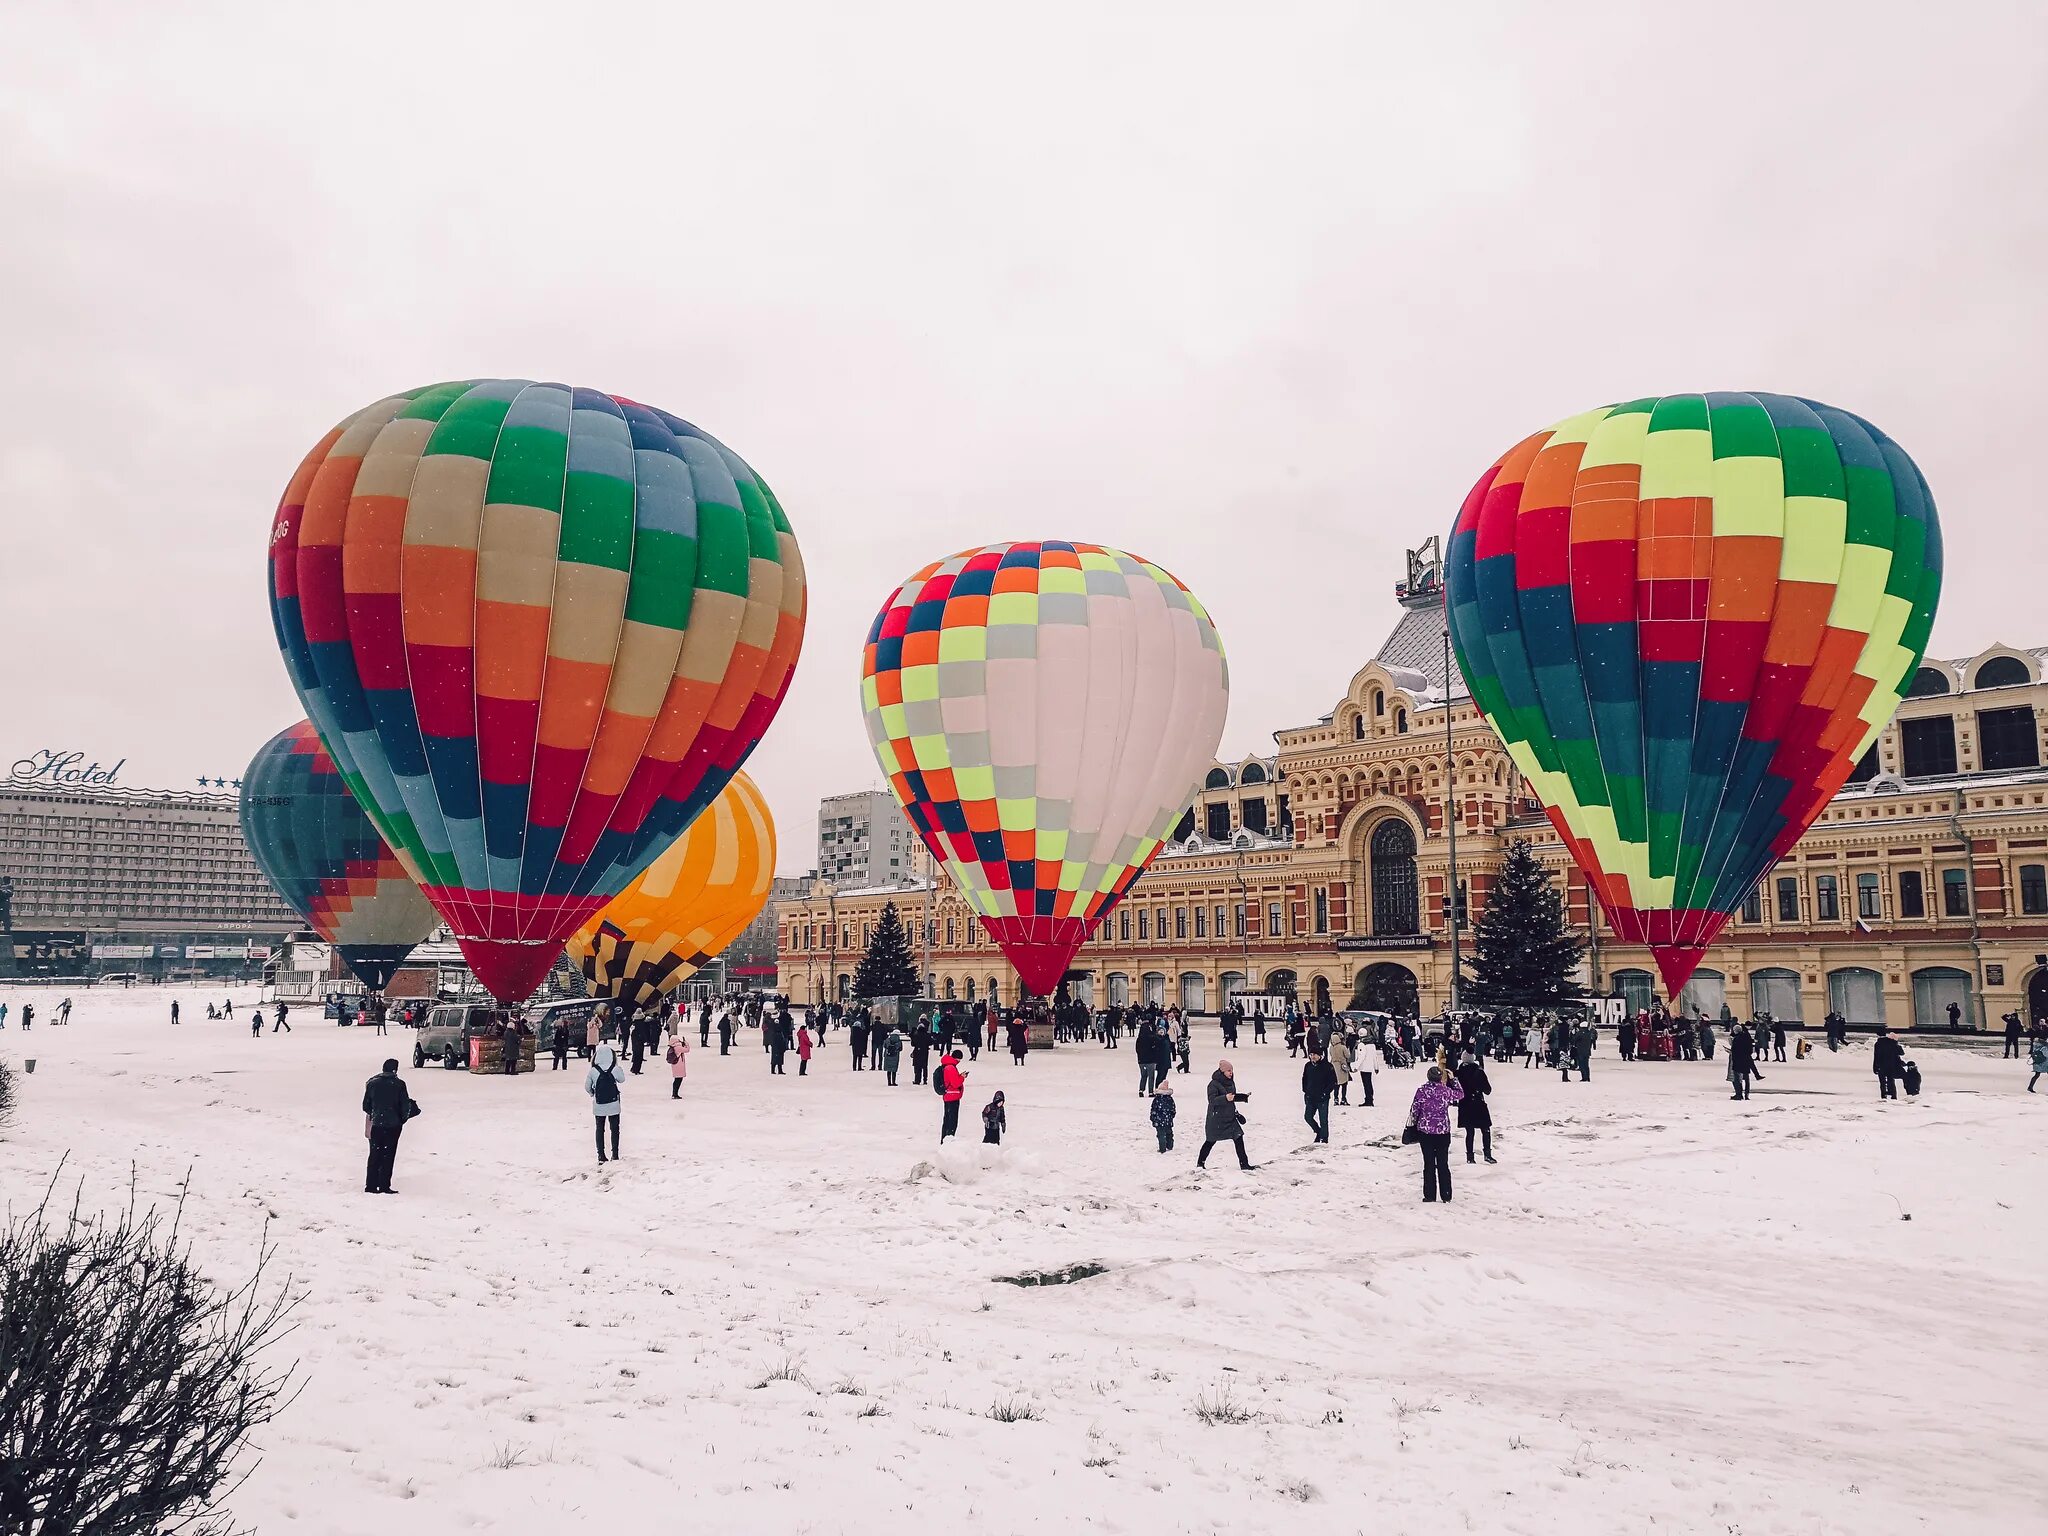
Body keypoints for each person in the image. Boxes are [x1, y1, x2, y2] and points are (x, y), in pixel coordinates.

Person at [1407, 1066, 1465, 1203]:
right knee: (1443, 1163)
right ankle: (1446, 1195)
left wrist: (1413, 1126)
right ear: (1440, 1077)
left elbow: (1414, 1109)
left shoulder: (1421, 1091)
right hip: (1442, 1131)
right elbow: (1460, 1094)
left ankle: (1429, 1195)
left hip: (1425, 1131)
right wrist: (1453, 1079)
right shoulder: (1445, 1091)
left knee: (1428, 1164)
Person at [361, 1057, 413, 1194]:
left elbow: (366, 1105)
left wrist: (375, 1113)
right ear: (395, 1070)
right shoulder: (399, 1084)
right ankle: (384, 1185)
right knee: (388, 1155)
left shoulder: (372, 1084)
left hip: (377, 1123)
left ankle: (371, 1185)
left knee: (374, 1154)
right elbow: (405, 1106)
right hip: (393, 1125)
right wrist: (401, 1119)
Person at [1197, 1060, 1255, 1170]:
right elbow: (1212, 1100)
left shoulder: (1230, 1082)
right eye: (1228, 1070)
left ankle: (1244, 1165)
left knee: (1239, 1137)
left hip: (1230, 1117)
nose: (1231, 1073)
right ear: (1222, 1071)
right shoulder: (1213, 1084)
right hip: (1217, 1119)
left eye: (1232, 1070)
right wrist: (1224, 1098)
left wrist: (1243, 1097)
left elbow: (1231, 1097)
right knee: (1210, 1141)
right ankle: (1200, 1163)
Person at [586, 1042, 626, 1162]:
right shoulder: (614, 1068)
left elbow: (587, 1086)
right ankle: (615, 1153)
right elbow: (622, 1080)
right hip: (614, 1104)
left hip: (599, 1104)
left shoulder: (593, 1070)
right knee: (615, 1129)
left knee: (600, 1129)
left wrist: (593, 1093)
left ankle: (601, 1154)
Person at [1455, 1051, 1494, 1163]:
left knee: (1469, 1132)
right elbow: (1488, 1090)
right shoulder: (1479, 1071)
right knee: (1485, 1129)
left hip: (1465, 1104)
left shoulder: (1458, 1072)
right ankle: (1487, 1154)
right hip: (1478, 1103)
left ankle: (1470, 1157)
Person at [1300, 1049, 1336, 1144]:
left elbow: (1332, 1082)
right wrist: (1305, 1091)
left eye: (1315, 1055)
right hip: (1310, 1097)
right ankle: (1318, 1132)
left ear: (1320, 1056)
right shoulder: (1308, 1066)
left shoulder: (1327, 1066)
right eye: (1311, 1055)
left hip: (1322, 1098)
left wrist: (1326, 1092)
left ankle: (1324, 1138)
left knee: (1323, 1119)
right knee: (1308, 1117)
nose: (1313, 1057)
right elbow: (1304, 1078)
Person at [937, 1051, 967, 1141]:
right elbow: (955, 1083)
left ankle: (945, 1139)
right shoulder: (951, 1067)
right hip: (952, 1096)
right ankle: (948, 1140)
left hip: (948, 1096)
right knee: (952, 1121)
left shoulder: (947, 1066)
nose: (959, 1061)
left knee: (947, 1119)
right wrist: (962, 1077)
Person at [1872, 1026, 1906, 1101]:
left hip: (1882, 1065)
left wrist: (1875, 1067)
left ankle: (1884, 1095)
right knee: (1891, 1080)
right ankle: (1893, 1095)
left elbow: (1876, 1056)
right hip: (1891, 1065)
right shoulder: (1891, 1042)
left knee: (1882, 1081)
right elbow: (1901, 1053)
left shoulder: (1878, 1044)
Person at [1727, 1023, 1758, 1101]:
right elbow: (1749, 1048)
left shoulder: (1737, 1039)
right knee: (1746, 1078)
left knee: (1737, 1079)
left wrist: (1732, 1055)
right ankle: (1746, 1095)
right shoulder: (1746, 1037)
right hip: (1746, 1060)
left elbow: (1735, 1051)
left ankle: (1739, 1094)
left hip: (1738, 1061)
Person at [1150, 1077, 1176, 1152]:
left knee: (1161, 1135)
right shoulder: (1170, 1099)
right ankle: (1170, 1145)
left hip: (1159, 1120)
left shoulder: (1157, 1099)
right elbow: (1173, 1109)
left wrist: (1153, 1117)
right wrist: (1171, 1116)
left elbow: (1153, 1109)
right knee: (1169, 1133)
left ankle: (1162, 1148)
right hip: (1168, 1120)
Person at [1328, 1030, 1354, 1107]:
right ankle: (1343, 1099)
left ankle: (1336, 1099)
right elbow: (1348, 1056)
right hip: (1342, 1066)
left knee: (1336, 1084)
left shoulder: (1331, 1048)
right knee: (1344, 1083)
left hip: (1334, 1066)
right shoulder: (1343, 1047)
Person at [666, 1029, 689, 1099]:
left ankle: (675, 1093)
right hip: (679, 1065)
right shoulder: (678, 1047)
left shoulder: (673, 1047)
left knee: (677, 1079)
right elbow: (687, 1049)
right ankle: (675, 1094)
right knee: (678, 1080)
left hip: (675, 1065)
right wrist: (686, 1043)